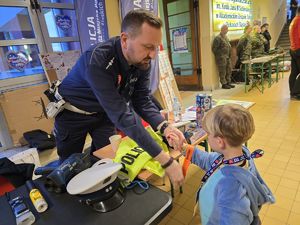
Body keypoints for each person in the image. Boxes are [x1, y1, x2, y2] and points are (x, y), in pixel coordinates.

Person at [53, 9, 185, 187]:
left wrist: (165, 127)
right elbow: (123, 116)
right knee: (68, 167)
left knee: (109, 161)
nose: (153, 55)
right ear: (124, 39)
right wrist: (165, 161)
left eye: (155, 47)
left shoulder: (142, 61)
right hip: (73, 114)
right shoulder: (98, 59)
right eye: (147, 47)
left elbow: (142, 100)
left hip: (102, 113)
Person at [170, 104, 275, 225]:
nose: (207, 137)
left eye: (208, 134)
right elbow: (205, 159)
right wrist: (182, 147)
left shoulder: (231, 189)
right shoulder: (238, 155)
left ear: (219, 142)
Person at [212, 24, 234, 89]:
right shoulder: (218, 38)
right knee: (223, 71)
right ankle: (224, 84)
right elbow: (214, 49)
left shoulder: (226, 37)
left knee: (229, 70)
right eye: (226, 29)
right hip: (221, 58)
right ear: (222, 29)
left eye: (227, 29)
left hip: (227, 57)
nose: (227, 30)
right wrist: (221, 55)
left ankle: (228, 82)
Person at [289, 7, 300, 100]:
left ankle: (292, 93)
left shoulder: (294, 20)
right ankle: (296, 93)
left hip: (293, 49)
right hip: (298, 49)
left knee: (294, 72)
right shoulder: (299, 20)